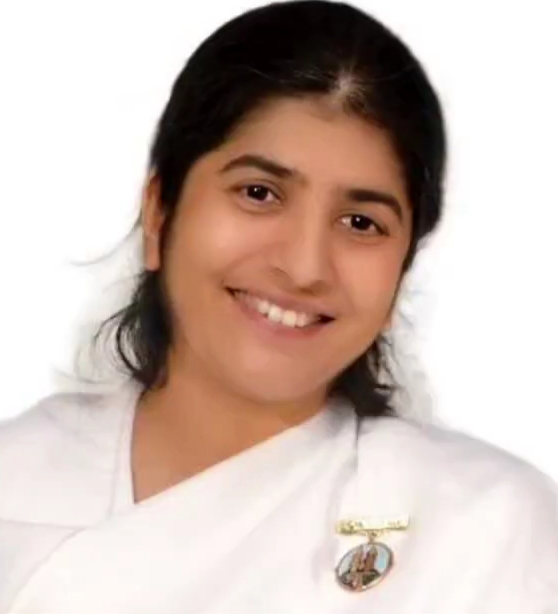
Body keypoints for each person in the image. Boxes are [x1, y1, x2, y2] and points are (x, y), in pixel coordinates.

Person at [0, 1, 557, 612]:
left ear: (401, 270)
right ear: (160, 213)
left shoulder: (486, 530)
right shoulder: (15, 480)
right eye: (259, 193)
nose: (304, 267)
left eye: (361, 223)